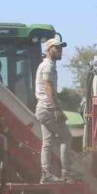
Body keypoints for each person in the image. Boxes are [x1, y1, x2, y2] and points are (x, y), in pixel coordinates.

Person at [35, 36, 77, 183]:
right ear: (48, 50)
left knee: (47, 142)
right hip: (47, 108)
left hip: (42, 108)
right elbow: (47, 87)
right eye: (57, 48)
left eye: (61, 48)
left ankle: (46, 175)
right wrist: (56, 109)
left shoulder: (47, 65)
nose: (60, 50)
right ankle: (66, 172)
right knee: (66, 137)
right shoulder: (48, 66)